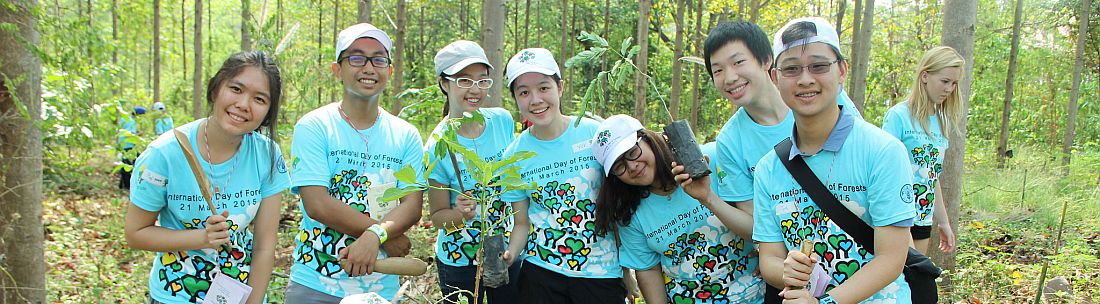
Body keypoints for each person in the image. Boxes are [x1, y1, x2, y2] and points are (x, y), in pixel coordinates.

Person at [751, 17, 915, 303]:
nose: (805, 79)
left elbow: (891, 257)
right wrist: (787, 270)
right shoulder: (769, 168)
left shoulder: (883, 151)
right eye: (791, 69)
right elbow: (770, 260)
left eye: (819, 66)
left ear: (841, 70)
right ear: (775, 78)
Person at [124, 51, 289, 304]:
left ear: (268, 112)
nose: (243, 104)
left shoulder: (266, 154)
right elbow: (136, 233)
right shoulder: (165, 154)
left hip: (241, 295)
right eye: (236, 89)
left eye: (259, 99)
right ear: (215, 90)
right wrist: (200, 238)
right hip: (176, 295)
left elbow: (265, 245)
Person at [285, 22, 424, 302]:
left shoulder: (405, 134)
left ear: (389, 70)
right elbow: (317, 204)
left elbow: (412, 205)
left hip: (381, 286)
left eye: (379, 59)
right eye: (357, 58)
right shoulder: (314, 126)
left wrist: (374, 236)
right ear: (337, 70)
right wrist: (383, 233)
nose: (369, 67)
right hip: (316, 282)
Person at [498, 48, 628, 304]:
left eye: (543, 88)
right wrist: (511, 254)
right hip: (542, 272)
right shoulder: (513, 156)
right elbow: (521, 222)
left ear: (560, 87)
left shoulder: (594, 134)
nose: (535, 100)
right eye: (524, 92)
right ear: (515, 98)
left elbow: (621, 204)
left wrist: (628, 268)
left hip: (601, 272)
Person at [592, 115, 761, 303]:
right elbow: (648, 269)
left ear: (647, 139)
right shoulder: (630, 213)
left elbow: (759, 231)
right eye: (619, 166)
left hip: (753, 296)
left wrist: (707, 198)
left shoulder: (713, 158)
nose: (631, 167)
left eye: (632, 152)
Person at [425, 40, 521, 303]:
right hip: (459, 263)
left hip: (504, 252)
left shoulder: (501, 120)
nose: (475, 90)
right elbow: (437, 218)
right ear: (445, 84)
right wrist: (458, 215)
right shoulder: (438, 145)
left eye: (482, 80)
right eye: (464, 80)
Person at [882, 46, 964, 255]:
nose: (949, 89)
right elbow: (883, 172)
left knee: (916, 282)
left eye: (954, 83)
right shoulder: (898, 116)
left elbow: (931, 175)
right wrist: (898, 223)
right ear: (925, 76)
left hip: (923, 216)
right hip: (896, 216)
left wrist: (943, 222)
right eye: (945, 81)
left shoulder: (942, 121)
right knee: (901, 277)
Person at [118, 105, 146, 189]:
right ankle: (127, 185)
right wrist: (139, 135)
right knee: (133, 163)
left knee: (125, 164)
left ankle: (122, 184)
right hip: (128, 145)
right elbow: (130, 134)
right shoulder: (131, 121)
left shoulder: (125, 119)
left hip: (123, 144)